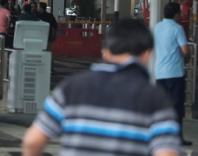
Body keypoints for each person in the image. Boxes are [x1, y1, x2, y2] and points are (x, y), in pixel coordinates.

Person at [22, 18, 181, 156]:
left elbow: (32, 142)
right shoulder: (154, 97)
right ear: (147, 54)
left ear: (106, 52)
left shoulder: (71, 87)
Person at [155, 2, 192, 146]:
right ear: (176, 14)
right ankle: (176, 138)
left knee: (161, 106)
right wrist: (187, 59)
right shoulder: (177, 29)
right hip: (175, 74)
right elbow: (185, 51)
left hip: (159, 73)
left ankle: (160, 136)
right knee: (176, 107)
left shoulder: (157, 27)